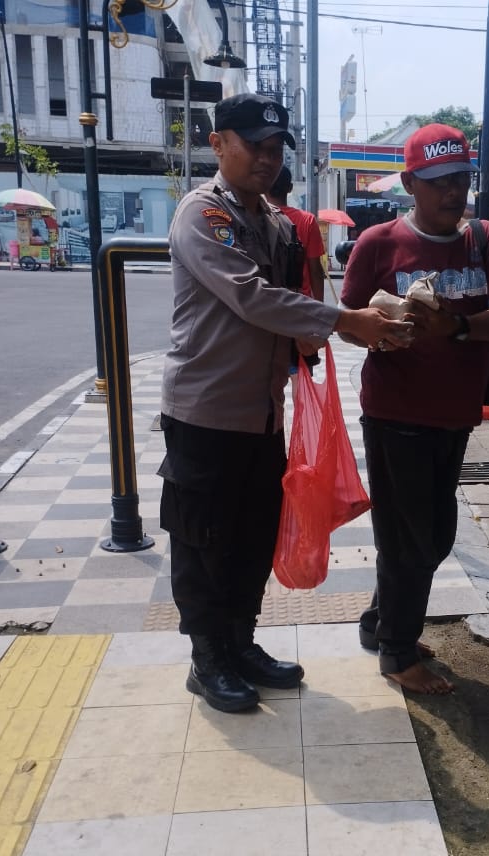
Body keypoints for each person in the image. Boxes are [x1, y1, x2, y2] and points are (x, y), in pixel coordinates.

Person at [162, 92, 413, 713]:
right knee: (203, 538)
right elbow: (252, 298)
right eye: (255, 146)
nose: (267, 159)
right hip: (205, 413)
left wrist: (372, 318)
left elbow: (295, 309)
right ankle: (207, 657)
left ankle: (241, 642)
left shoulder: (274, 224)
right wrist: (343, 322)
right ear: (218, 143)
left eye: (277, 149)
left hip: (262, 414)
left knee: (252, 535)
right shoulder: (204, 216)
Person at [340, 122, 489, 694]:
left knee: (428, 533)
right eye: (438, 181)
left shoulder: (486, 240)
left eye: (461, 179)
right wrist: (380, 332)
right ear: (410, 184)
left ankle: (381, 621)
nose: (452, 192)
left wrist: (457, 325)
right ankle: (397, 653)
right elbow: (347, 322)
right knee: (412, 538)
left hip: (456, 413)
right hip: (396, 412)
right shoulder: (378, 244)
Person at [265, 166, 325, 300]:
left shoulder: (257, 217)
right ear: (290, 188)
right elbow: (315, 269)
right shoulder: (307, 220)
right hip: (300, 302)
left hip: (267, 300)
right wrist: (319, 307)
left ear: (265, 187)